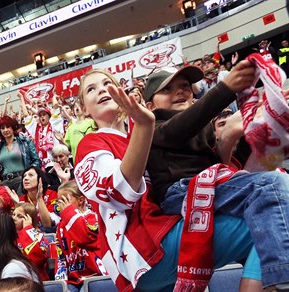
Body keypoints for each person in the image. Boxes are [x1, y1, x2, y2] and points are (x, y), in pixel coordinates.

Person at [73, 68, 263, 291]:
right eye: (91, 89)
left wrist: (234, 136)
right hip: (143, 251)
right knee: (263, 224)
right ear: (84, 109)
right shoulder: (91, 144)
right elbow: (120, 192)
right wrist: (144, 126)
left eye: (107, 83)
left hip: (166, 237)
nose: (102, 90)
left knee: (267, 233)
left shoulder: (141, 130)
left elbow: (208, 176)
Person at [143, 63, 289, 289]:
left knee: (273, 212)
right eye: (167, 89)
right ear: (150, 105)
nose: (179, 92)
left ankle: (276, 281)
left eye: (184, 86)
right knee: (272, 185)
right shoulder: (151, 126)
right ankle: (283, 279)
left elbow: (232, 168)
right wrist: (225, 89)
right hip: (180, 195)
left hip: (210, 189)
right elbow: (178, 130)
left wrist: (269, 112)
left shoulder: (206, 129)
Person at [55, 181, 106, 291]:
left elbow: (85, 238)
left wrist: (69, 213)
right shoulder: (61, 226)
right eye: (59, 201)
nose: (61, 204)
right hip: (73, 280)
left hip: (96, 277)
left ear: (81, 200)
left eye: (65, 199)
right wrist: (61, 282)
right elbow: (60, 258)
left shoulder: (94, 218)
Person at [0, 116, 41, 194]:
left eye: (8, 127)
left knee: (23, 205)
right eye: (2, 128)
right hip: (5, 183)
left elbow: (36, 160)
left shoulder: (25, 141)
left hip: (22, 179)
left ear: (13, 128)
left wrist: (30, 175)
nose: (5, 130)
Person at [12, 203, 50, 281]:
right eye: (13, 214)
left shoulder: (39, 237)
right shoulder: (9, 237)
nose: (14, 218)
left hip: (35, 280)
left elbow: (37, 260)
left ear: (29, 219)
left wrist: (27, 230)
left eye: (19, 216)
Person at [19, 166, 59, 231]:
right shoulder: (21, 199)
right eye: (24, 176)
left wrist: (40, 199)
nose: (25, 178)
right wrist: (17, 204)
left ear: (40, 179)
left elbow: (48, 225)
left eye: (30, 175)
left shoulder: (52, 194)